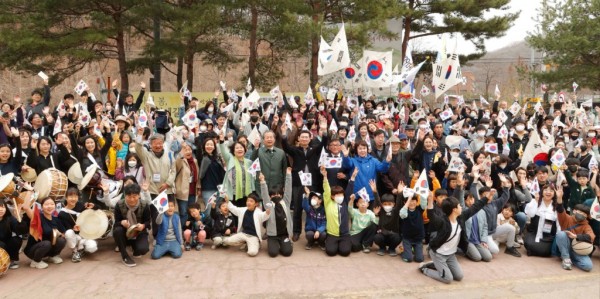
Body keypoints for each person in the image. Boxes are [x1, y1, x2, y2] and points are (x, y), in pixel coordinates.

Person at [419, 193, 487, 284]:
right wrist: (430, 201)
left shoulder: (461, 218)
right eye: (459, 206)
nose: (461, 207)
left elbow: (474, 208)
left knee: (459, 276)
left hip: (450, 254)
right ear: (454, 209)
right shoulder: (442, 222)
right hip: (438, 253)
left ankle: (436, 265)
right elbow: (431, 215)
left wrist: (486, 198)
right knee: (448, 279)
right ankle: (425, 269)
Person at [553, 186, 595, 271]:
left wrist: (576, 236)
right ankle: (565, 258)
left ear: (586, 216)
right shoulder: (567, 218)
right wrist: (559, 198)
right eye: (580, 212)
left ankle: (570, 259)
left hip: (577, 249)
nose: (582, 215)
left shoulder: (586, 225)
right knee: (561, 234)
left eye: (584, 214)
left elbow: (591, 237)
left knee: (588, 266)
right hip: (565, 246)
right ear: (574, 211)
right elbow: (560, 210)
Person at [113, 183, 152, 267]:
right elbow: (116, 224)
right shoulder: (119, 205)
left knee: (143, 249)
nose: (131, 199)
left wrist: (143, 226)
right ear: (125, 195)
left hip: (139, 232)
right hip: (125, 232)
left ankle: (135, 247)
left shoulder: (144, 205)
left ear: (139, 195)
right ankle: (125, 256)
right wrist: (121, 223)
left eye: (134, 196)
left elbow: (148, 222)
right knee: (117, 230)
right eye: (129, 196)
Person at [23, 197, 67, 269]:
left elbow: (64, 234)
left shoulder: (56, 219)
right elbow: (26, 207)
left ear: (55, 206)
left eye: (52, 204)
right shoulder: (37, 217)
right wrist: (30, 191)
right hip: (33, 250)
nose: (49, 206)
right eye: (46, 204)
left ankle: (52, 256)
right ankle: (36, 261)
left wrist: (61, 234)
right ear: (42, 206)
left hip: (47, 248)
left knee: (62, 240)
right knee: (47, 243)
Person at [323, 166, 357, 257]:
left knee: (345, 252)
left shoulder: (345, 202)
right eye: (336, 195)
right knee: (330, 252)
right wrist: (325, 177)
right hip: (332, 234)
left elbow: (349, 189)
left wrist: (353, 177)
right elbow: (327, 190)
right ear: (332, 196)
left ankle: (345, 243)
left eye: (341, 194)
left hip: (344, 234)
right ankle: (331, 243)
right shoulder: (328, 203)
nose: (339, 196)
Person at [260, 168, 293, 257]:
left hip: (284, 234)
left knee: (287, 252)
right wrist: (262, 182)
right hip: (272, 235)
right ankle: (272, 242)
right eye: (273, 195)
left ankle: (286, 242)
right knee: (273, 253)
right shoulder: (269, 205)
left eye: (278, 194)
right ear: (270, 197)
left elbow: (288, 190)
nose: (276, 196)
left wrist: (288, 175)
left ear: (281, 195)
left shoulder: (285, 202)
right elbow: (264, 195)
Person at [58, 188, 97, 263]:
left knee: (92, 247)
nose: (73, 199)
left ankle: (81, 249)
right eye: (71, 196)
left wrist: (94, 206)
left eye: (75, 196)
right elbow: (65, 231)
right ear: (66, 198)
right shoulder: (62, 214)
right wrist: (73, 229)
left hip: (85, 234)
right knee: (69, 232)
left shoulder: (82, 206)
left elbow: (96, 211)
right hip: (74, 237)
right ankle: (75, 252)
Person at [218, 130, 256, 207]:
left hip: (246, 194)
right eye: (237, 148)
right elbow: (223, 151)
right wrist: (221, 141)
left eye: (241, 148)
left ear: (245, 150)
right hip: (233, 194)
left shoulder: (249, 162)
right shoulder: (230, 159)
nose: (239, 149)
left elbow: (252, 178)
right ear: (233, 151)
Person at [524, 184, 560, 257]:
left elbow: (559, 223)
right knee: (528, 244)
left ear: (554, 193)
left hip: (548, 235)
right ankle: (532, 249)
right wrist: (536, 202)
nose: (548, 192)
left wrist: (558, 236)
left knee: (545, 251)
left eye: (551, 191)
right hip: (534, 232)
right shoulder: (536, 201)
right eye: (546, 190)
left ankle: (534, 251)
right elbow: (530, 214)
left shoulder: (556, 205)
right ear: (542, 192)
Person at [175, 142, 200, 227]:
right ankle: (181, 231)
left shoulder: (195, 161)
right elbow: (176, 164)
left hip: (193, 191)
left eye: (189, 149)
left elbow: (197, 175)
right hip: (182, 192)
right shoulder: (180, 161)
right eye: (185, 150)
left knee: (191, 212)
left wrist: (199, 187)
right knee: (183, 213)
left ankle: (189, 231)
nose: (188, 151)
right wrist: (181, 153)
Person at [0, 199, 28, 269]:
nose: (1, 210)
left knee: (16, 239)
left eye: (3, 207)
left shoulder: (9, 218)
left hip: (6, 243)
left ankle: (12, 260)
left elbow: (23, 231)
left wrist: (18, 217)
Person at [198, 138, 225, 207]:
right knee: (208, 211)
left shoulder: (217, 158)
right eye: (207, 144)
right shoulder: (203, 157)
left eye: (211, 145)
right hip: (208, 188)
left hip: (219, 188)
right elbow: (200, 175)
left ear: (214, 147)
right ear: (204, 146)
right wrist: (199, 188)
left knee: (217, 210)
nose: (209, 146)